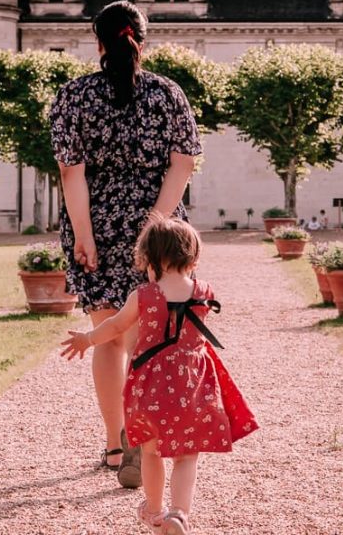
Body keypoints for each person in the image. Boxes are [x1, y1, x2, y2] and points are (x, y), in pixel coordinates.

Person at [50, 0, 202, 488]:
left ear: (98, 42)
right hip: (155, 226)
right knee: (146, 338)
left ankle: (116, 446)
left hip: (96, 223)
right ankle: (145, 439)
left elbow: (72, 175)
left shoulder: (73, 97)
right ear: (141, 38)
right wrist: (154, 225)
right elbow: (182, 165)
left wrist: (85, 235)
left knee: (108, 336)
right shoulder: (167, 93)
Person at [61, 218, 257, 534]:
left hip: (151, 389)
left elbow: (115, 327)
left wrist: (87, 339)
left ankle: (153, 510)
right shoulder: (204, 292)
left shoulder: (143, 295)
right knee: (186, 454)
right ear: (193, 260)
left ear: (148, 261)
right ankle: (178, 514)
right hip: (192, 387)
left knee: (151, 453)